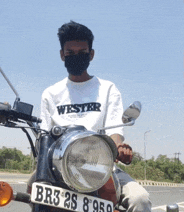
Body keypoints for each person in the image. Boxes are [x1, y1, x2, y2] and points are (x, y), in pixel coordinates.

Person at [29, 21, 151, 212]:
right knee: (32, 189)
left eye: (82, 52)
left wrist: (119, 147)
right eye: (70, 52)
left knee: (140, 200)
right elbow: (44, 134)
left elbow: (115, 130)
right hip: (60, 168)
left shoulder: (107, 89)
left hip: (101, 167)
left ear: (91, 54)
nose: (76, 56)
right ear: (62, 55)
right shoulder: (51, 93)